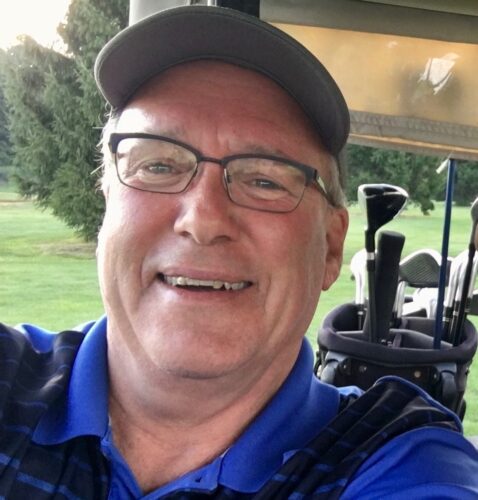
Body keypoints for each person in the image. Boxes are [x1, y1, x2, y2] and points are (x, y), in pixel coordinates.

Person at [1, 3, 477, 499]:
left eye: (265, 180)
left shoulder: (402, 460)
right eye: (158, 165)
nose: (203, 220)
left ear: (331, 247)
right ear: (107, 206)